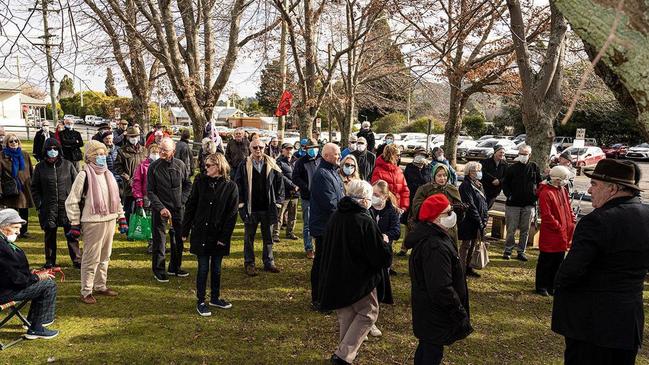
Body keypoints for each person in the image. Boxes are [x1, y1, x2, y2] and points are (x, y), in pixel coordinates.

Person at [552, 159, 649, 365]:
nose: (589, 190)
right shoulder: (645, 216)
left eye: (595, 184)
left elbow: (571, 271)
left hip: (591, 325)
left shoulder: (597, 220)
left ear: (613, 188)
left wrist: (560, 284)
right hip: (628, 321)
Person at [318, 180, 392, 365]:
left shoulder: (337, 215)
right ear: (364, 200)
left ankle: (345, 353)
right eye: (369, 198)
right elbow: (378, 256)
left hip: (337, 274)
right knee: (368, 313)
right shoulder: (363, 219)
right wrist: (384, 243)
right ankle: (343, 355)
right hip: (359, 278)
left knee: (347, 314)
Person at [404, 194, 473, 365]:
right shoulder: (434, 246)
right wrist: (457, 309)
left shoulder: (435, 235)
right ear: (435, 218)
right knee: (431, 353)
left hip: (429, 311)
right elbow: (441, 287)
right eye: (448, 212)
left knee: (427, 348)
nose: (452, 215)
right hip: (435, 311)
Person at [65, 140, 127, 304]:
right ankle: (86, 290)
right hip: (92, 221)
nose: (101, 157)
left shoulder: (109, 174)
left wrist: (121, 217)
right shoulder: (83, 175)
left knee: (105, 255)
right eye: (97, 154)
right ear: (89, 157)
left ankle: (100, 285)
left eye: (103, 154)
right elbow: (72, 201)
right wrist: (74, 223)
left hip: (110, 219)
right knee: (91, 257)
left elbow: (116, 198)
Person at [182, 153, 238, 317]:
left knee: (217, 268)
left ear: (219, 166)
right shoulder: (200, 181)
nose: (205, 168)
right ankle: (201, 300)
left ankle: (215, 297)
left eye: (209, 166)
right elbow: (191, 205)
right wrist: (185, 230)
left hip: (218, 234)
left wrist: (224, 238)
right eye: (205, 165)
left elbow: (232, 214)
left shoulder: (230, 186)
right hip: (201, 232)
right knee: (203, 267)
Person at [0, 209, 60, 339]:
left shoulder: (3, 243)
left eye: (19, 228)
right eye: (15, 227)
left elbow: (9, 271)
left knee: (42, 283)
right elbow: (16, 279)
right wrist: (36, 277)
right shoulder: (2, 247)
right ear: (2, 227)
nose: (18, 231)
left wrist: (30, 273)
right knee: (48, 285)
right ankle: (37, 327)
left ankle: (33, 323)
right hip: (5, 292)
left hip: (6, 287)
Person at [236, 138, 284, 276]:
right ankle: (249, 263)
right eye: (255, 147)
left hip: (267, 208)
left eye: (261, 147)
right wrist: (241, 204)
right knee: (248, 238)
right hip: (251, 208)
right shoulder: (244, 165)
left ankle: (269, 262)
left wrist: (279, 203)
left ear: (265, 148)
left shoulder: (273, 164)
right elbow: (238, 184)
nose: (258, 150)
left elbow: (279, 184)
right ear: (250, 149)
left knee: (268, 237)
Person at [31, 138, 81, 269]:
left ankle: (77, 259)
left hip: (67, 207)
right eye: (49, 149)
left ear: (59, 150)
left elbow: (77, 185)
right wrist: (39, 204)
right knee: (49, 235)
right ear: (45, 151)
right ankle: (50, 261)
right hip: (48, 207)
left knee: (71, 234)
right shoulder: (40, 167)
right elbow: (34, 188)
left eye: (55, 148)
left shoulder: (68, 165)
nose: (52, 151)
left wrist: (76, 203)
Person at [147, 138, 192, 282]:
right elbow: (150, 191)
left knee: (178, 239)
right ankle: (159, 270)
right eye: (160, 149)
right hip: (160, 209)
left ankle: (175, 266)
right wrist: (160, 208)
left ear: (173, 151)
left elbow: (187, 185)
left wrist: (182, 201)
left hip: (178, 208)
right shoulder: (153, 167)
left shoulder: (180, 165)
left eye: (165, 150)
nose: (161, 152)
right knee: (160, 241)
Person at [309, 143, 344, 311]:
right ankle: (319, 299)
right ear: (327, 156)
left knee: (329, 263)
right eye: (337, 154)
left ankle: (327, 296)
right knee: (322, 263)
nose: (340, 157)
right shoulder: (322, 174)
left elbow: (340, 197)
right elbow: (330, 203)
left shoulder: (333, 172)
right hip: (324, 227)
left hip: (331, 225)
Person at [402, 164, 462, 255]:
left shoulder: (452, 189)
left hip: (449, 227)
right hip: (430, 226)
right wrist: (432, 210)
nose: (442, 178)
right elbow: (416, 206)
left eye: (445, 175)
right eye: (439, 175)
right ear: (433, 176)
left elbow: (458, 210)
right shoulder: (424, 189)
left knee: (449, 252)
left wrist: (459, 209)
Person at [535, 165, 575, 297]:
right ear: (556, 179)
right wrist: (558, 226)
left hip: (563, 231)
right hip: (552, 233)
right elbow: (547, 215)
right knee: (546, 260)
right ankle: (541, 285)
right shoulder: (546, 192)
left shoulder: (562, 190)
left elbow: (568, 206)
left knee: (558, 260)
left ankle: (552, 285)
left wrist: (571, 220)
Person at [502, 144, 542, 261]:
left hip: (529, 204)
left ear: (530, 154)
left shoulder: (534, 167)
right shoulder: (512, 168)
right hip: (513, 204)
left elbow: (539, 183)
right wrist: (509, 195)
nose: (523, 156)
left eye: (526, 154)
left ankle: (521, 251)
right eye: (521, 154)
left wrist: (535, 196)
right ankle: (508, 250)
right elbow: (505, 184)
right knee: (511, 229)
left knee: (525, 230)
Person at [370, 179, 400, 306]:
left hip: (384, 248)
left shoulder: (392, 211)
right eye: (372, 194)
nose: (373, 197)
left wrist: (387, 235)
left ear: (385, 196)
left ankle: (381, 296)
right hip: (370, 247)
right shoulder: (368, 208)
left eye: (376, 195)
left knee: (383, 274)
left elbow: (397, 230)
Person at [457, 161, 488, 278]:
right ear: (469, 172)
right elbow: (470, 205)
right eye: (475, 170)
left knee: (474, 244)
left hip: (478, 219)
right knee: (466, 245)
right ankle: (461, 270)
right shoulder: (465, 186)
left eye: (479, 170)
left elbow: (484, 203)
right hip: (468, 220)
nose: (478, 173)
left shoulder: (478, 184)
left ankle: (469, 267)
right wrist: (479, 220)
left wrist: (484, 219)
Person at [291, 138, 321, 259]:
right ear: (306, 149)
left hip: (321, 197)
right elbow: (295, 177)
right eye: (310, 149)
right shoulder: (300, 162)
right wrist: (305, 187)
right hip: (307, 197)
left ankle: (320, 247)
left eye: (314, 148)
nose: (312, 150)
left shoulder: (322, 159)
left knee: (321, 222)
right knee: (308, 224)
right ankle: (309, 248)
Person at [0, 133, 34, 238]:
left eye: (16, 141)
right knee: (12, 211)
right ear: (6, 143)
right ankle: (11, 230)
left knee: (24, 209)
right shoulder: (2, 156)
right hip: (10, 187)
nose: (14, 143)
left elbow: (30, 171)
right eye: (11, 141)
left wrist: (33, 185)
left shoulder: (24, 154)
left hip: (24, 187)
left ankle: (24, 231)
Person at [115, 126, 147, 222]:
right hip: (129, 184)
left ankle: (142, 228)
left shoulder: (145, 150)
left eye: (136, 136)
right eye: (131, 136)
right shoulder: (122, 151)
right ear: (128, 137)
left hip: (142, 184)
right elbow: (118, 167)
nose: (134, 138)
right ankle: (129, 228)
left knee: (142, 207)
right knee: (128, 208)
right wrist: (127, 178)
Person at [132, 143, 160, 253]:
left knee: (159, 222)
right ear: (149, 153)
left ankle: (159, 243)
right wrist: (139, 198)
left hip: (160, 198)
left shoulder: (161, 165)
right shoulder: (142, 166)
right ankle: (151, 243)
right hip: (147, 197)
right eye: (154, 152)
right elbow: (137, 182)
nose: (156, 155)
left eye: (157, 152)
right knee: (149, 221)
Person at [370, 144, 410, 212]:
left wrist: (404, 207)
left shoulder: (399, 171)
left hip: (398, 209)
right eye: (397, 155)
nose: (399, 158)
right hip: (384, 209)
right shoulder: (378, 171)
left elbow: (405, 190)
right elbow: (377, 193)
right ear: (391, 155)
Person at [273, 143, 299, 242]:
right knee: (279, 215)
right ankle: (275, 234)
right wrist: (292, 185)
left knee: (293, 215)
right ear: (282, 150)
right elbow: (280, 176)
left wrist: (298, 185)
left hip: (295, 193)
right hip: (283, 192)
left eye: (290, 149)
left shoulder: (296, 161)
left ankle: (290, 232)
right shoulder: (278, 162)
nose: (289, 151)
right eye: (287, 149)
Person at [402, 147, 433, 228]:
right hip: (412, 199)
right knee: (410, 225)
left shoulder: (428, 168)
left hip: (424, 200)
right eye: (418, 155)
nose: (420, 156)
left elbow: (430, 183)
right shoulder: (409, 167)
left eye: (423, 155)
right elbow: (406, 183)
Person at [480, 145, 508, 209]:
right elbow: (483, 173)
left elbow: (506, 176)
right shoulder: (485, 162)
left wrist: (499, 181)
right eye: (500, 152)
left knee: (486, 207)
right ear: (495, 152)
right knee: (481, 207)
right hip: (484, 189)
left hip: (495, 191)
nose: (502, 154)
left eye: (503, 153)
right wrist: (493, 179)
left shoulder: (505, 164)